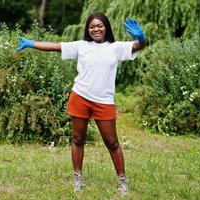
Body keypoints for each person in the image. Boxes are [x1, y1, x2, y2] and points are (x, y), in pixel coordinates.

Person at [17, 12, 146, 196]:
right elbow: (55, 46)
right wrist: (31, 43)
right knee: (78, 139)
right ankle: (77, 178)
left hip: (104, 101)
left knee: (112, 143)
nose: (96, 29)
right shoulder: (82, 46)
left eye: (99, 26)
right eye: (92, 26)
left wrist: (141, 38)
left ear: (106, 27)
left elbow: (138, 46)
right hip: (80, 97)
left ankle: (122, 181)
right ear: (88, 29)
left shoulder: (116, 47)